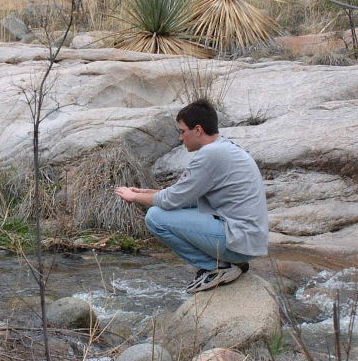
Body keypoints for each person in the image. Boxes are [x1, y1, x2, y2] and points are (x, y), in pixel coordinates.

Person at [115, 99, 268, 293]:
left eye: (182, 131)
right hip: (248, 240)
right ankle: (227, 263)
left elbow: (171, 200)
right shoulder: (224, 148)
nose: (180, 137)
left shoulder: (210, 155)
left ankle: (219, 267)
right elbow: (187, 197)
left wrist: (134, 197)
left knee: (155, 217)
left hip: (238, 242)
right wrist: (148, 193)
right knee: (170, 207)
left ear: (198, 130)